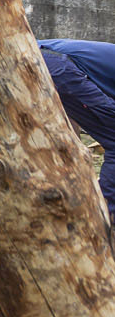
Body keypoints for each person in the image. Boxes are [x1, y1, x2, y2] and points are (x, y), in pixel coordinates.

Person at [37, 39, 115, 219]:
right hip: (60, 68)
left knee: (65, 143)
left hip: (39, 59)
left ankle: (73, 203)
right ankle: (104, 214)